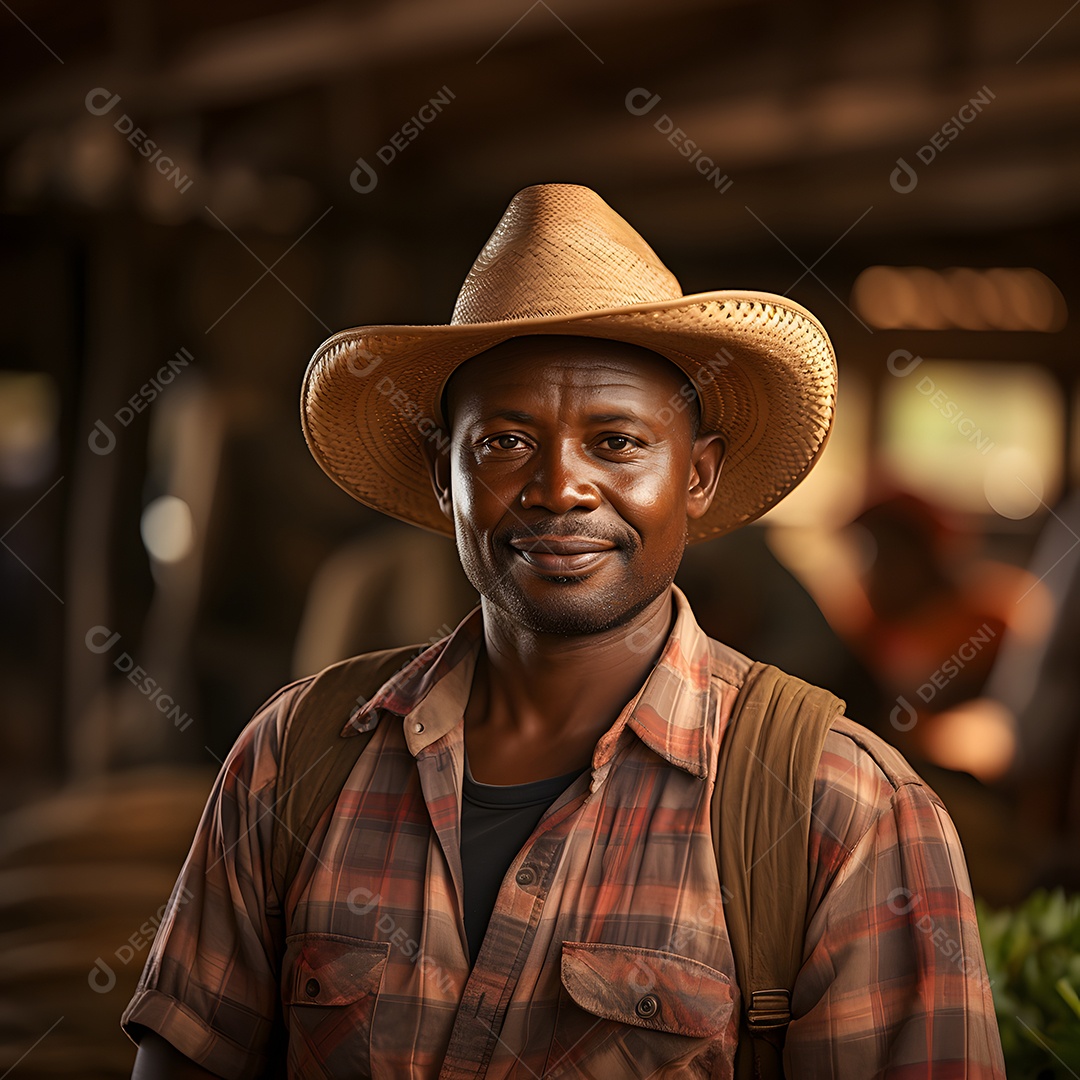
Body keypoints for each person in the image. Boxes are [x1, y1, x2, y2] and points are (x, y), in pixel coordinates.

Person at [124, 184, 1006, 1077]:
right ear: (443, 475)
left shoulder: (840, 809)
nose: (560, 486)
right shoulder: (295, 757)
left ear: (697, 477)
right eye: (504, 442)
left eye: (617, 442)